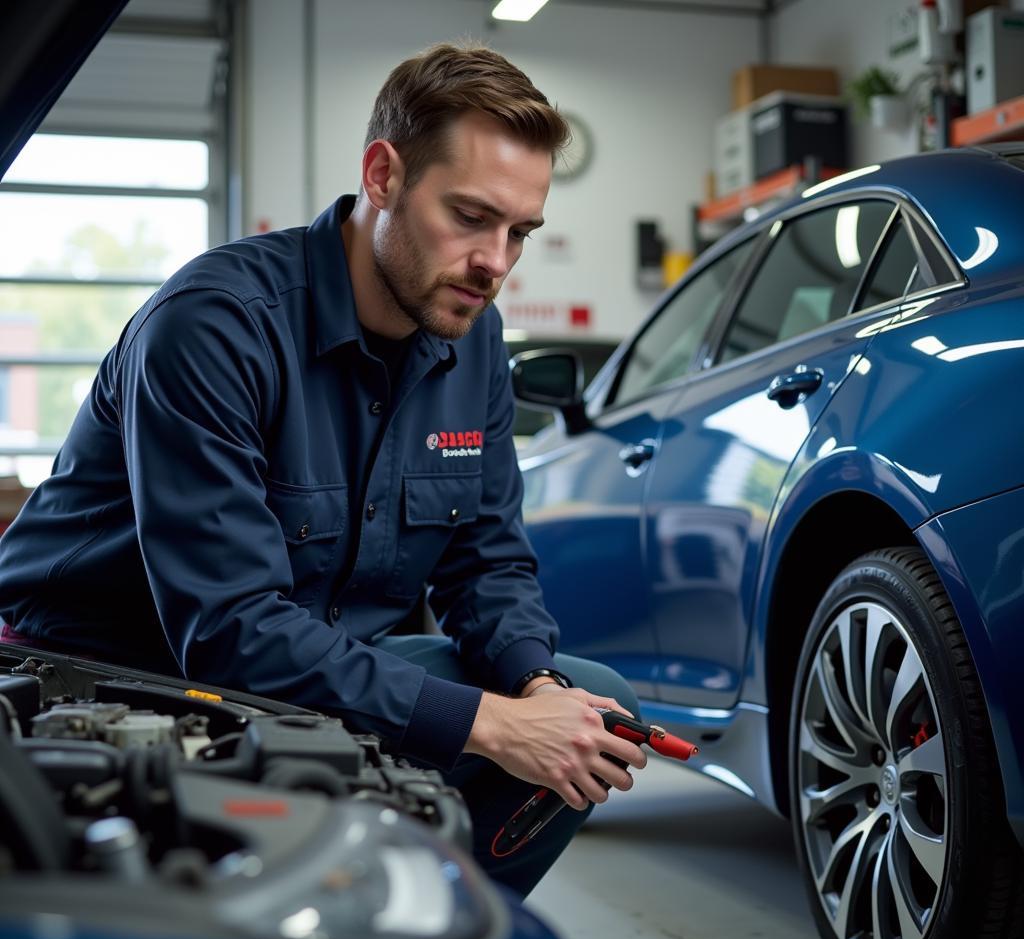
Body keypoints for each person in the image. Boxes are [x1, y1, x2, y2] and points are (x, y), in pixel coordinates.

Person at [0, 42, 645, 896]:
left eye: (519, 232)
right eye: (470, 217)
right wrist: (490, 725)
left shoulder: (473, 336)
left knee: (597, 710)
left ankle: (425, 929)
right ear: (384, 176)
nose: (496, 262)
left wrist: (536, 685)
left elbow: (485, 557)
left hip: (310, 668)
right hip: (119, 677)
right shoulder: (215, 326)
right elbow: (229, 628)